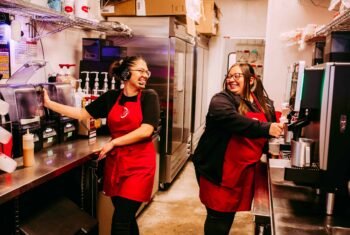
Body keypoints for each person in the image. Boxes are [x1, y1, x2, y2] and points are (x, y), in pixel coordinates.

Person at [43, 56, 160, 235]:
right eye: (141, 71)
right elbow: (82, 114)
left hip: (139, 166)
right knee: (126, 219)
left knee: (119, 223)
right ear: (127, 74)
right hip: (117, 166)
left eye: (147, 71)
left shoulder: (149, 97)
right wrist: (50, 104)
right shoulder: (111, 97)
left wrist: (114, 142)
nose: (145, 75)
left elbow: (146, 130)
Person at [192, 63, 283, 235]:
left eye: (237, 76)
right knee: (218, 217)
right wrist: (266, 128)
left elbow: (270, 118)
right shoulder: (221, 100)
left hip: (241, 171)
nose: (231, 80)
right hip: (218, 171)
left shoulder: (259, 102)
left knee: (228, 214)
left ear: (251, 80)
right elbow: (231, 119)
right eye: (229, 76)